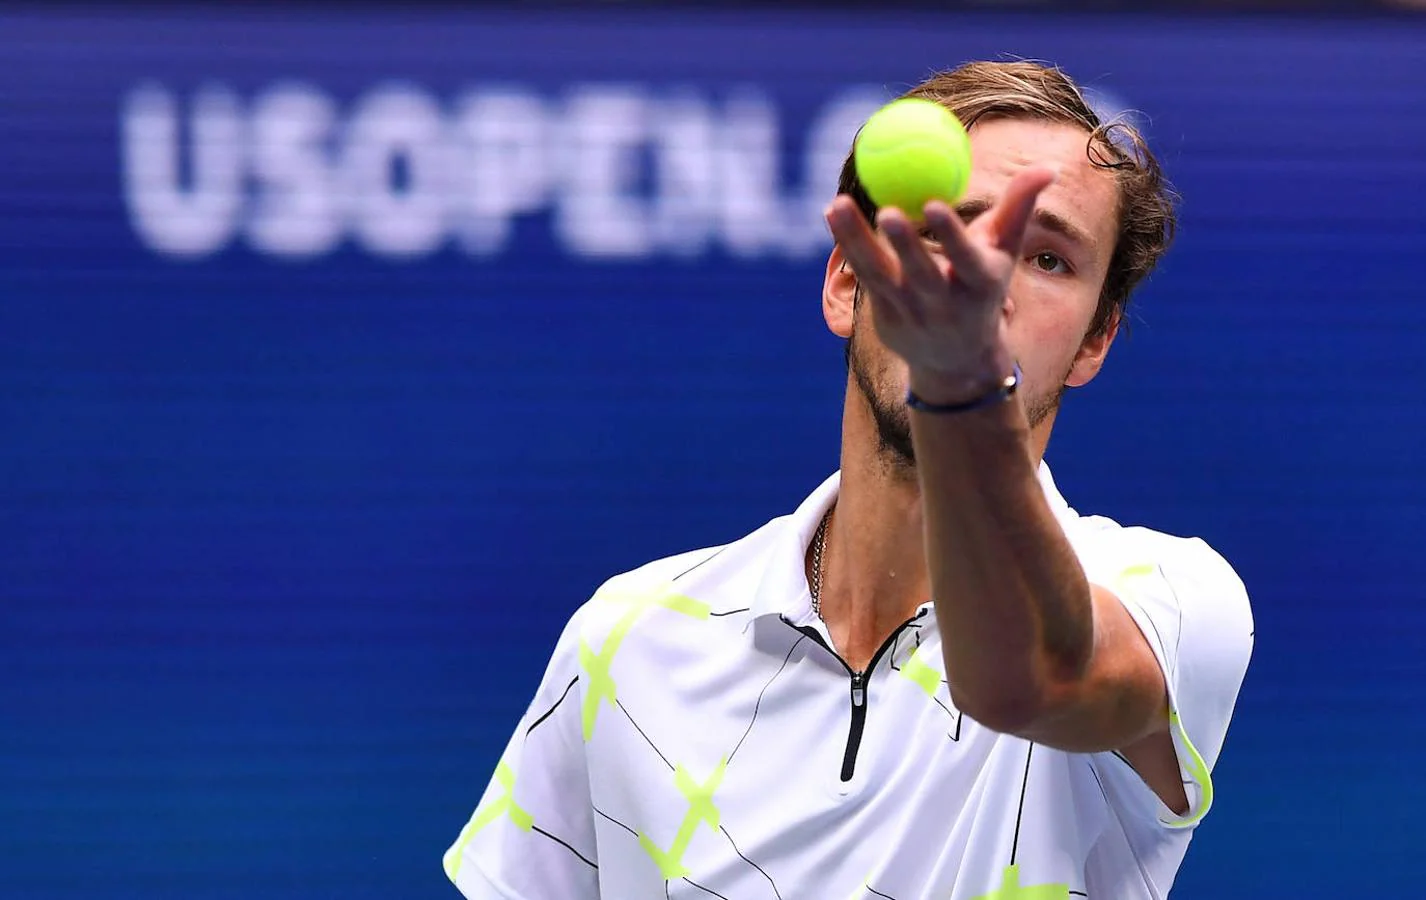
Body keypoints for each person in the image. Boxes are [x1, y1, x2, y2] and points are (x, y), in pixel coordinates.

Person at [443, 60, 1253, 900]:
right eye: (945, 233)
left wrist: (964, 394)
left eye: (1045, 257)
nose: (982, 286)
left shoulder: (1179, 602)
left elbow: (1029, 678)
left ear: (1095, 341)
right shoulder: (625, 639)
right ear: (847, 282)